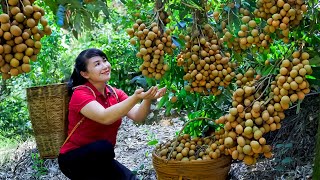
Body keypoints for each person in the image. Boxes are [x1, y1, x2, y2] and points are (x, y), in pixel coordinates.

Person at [58, 48, 166, 180]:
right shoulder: (80, 94)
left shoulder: (114, 93)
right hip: (74, 159)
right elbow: (105, 117)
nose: (105, 66)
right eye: (97, 64)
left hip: (101, 157)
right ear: (85, 74)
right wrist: (135, 97)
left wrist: (148, 98)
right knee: (103, 147)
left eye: (104, 61)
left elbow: (138, 116)